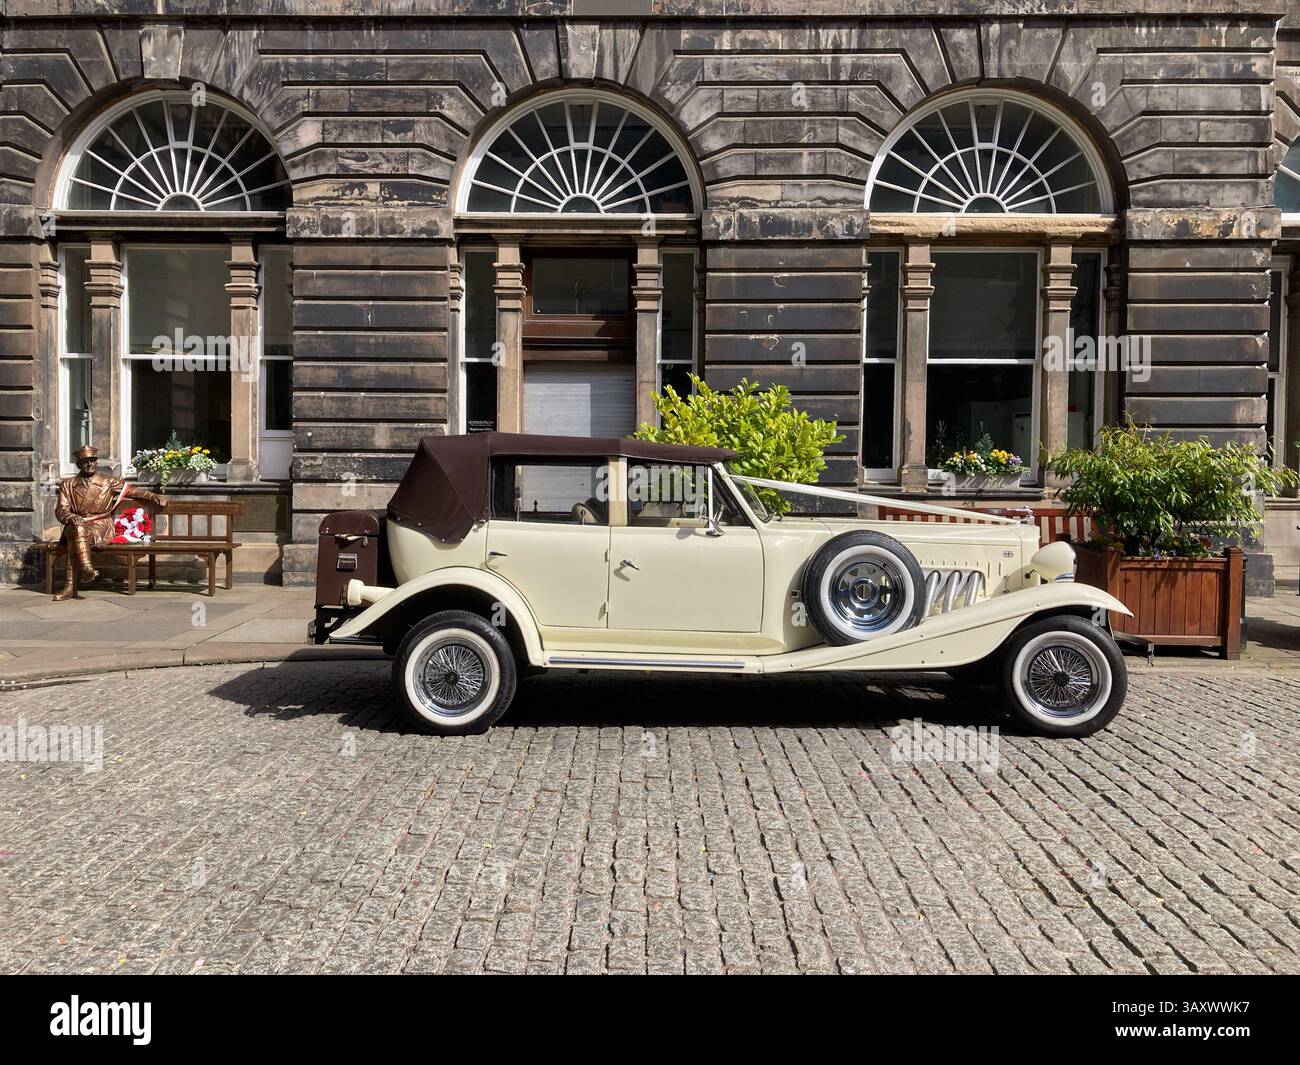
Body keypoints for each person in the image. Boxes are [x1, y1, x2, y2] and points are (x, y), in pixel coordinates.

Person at [53, 445, 167, 601]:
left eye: (92, 461)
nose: (90, 464)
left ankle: (71, 585)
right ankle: (87, 568)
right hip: (76, 523)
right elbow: (61, 509)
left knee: (75, 538)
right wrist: (71, 517)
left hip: (100, 525)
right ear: (78, 464)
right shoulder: (68, 484)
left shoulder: (108, 482)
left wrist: (153, 496)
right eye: (85, 461)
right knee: (77, 529)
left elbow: (132, 491)